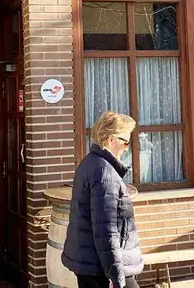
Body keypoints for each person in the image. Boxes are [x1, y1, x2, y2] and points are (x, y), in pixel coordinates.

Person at [62, 111, 143, 288]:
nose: (127, 148)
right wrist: (116, 276)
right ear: (110, 139)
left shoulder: (90, 163)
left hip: (90, 264)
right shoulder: (104, 173)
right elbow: (106, 230)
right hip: (101, 268)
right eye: (126, 142)